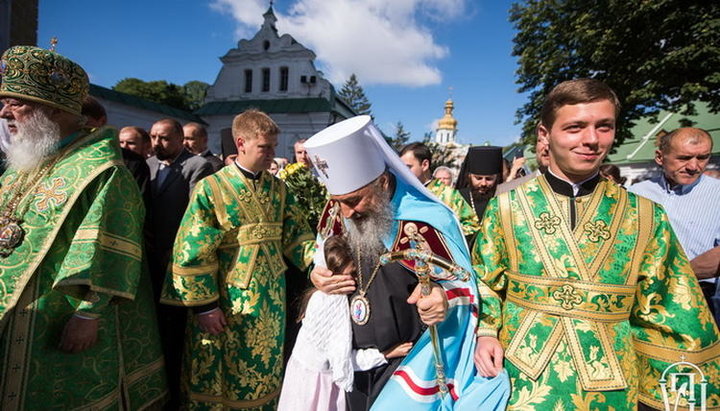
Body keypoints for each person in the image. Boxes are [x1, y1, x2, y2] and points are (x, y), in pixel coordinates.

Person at [472, 79, 720, 410]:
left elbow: (671, 307)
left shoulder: (644, 215)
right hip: (520, 375)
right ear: (545, 136)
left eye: (604, 127)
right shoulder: (506, 206)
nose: (591, 140)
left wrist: (678, 397)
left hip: (614, 381)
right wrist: (486, 332)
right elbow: (485, 281)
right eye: (575, 127)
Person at [0, 45, 166, 409]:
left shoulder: (104, 172)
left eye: (17, 104)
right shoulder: (22, 166)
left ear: (55, 109)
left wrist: (87, 314)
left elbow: (112, 247)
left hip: (61, 321)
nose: (4, 113)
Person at [305, 115, 509, 410]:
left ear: (383, 182)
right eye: (337, 201)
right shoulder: (339, 209)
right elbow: (321, 255)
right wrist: (317, 276)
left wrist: (443, 298)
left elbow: (463, 289)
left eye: (354, 200)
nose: (345, 213)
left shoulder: (426, 220)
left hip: (408, 361)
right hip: (352, 360)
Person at [161, 109, 316, 409]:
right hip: (227, 302)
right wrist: (206, 306)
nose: (272, 154)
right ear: (241, 143)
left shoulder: (279, 189)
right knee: (224, 372)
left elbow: (298, 235)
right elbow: (192, 250)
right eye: (265, 147)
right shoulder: (212, 188)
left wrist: (318, 264)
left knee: (265, 369)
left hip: (270, 301)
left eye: (273, 147)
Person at [278, 235, 413, 411]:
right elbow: (342, 362)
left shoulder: (323, 295)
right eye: (352, 274)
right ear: (333, 274)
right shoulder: (330, 303)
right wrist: (384, 355)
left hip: (305, 374)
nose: (356, 280)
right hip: (318, 385)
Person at [146, 117, 213, 407]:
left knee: (177, 334)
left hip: (179, 262)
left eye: (164, 138)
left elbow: (196, 218)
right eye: (153, 137)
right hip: (149, 260)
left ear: (178, 139)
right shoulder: (146, 166)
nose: (157, 143)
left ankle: (178, 392)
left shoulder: (198, 167)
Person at [629, 127, 720, 323]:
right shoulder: (637, 193)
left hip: (698, 298)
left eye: (702, 157)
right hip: (644, 296)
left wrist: (676, 275)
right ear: (660, 157)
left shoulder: (717, 194)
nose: (694, 166)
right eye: (684, 158)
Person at [399, 142, 479, 238]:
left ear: (424, 165)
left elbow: (472, 226)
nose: (402, 171)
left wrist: (440, 235)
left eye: (408, 167)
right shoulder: (402, 193)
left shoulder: (448, 195)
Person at [455, 146, 503, 223]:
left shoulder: (503, 198)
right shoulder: (458, 198)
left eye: (489, 179)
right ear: (469, 176)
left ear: (497, 177)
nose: (483, 183)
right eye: (478, 178)